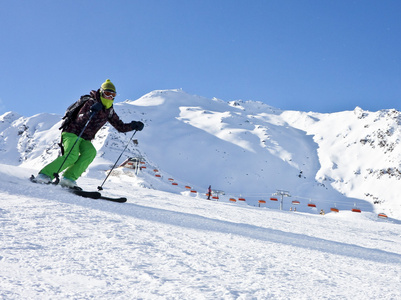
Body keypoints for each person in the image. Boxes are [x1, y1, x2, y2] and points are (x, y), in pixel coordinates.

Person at [35, 79, 144, 188]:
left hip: (85, 138)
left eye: (113, 95)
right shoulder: (91, 102)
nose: (110, 97)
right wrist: (91, 111)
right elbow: (80, 118)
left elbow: (120, 126)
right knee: (71, 156)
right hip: (72, 132)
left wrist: (133, 126)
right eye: (107, 93)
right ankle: (45, 175)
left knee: (90, 152)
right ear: (101, 92)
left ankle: (69, 178)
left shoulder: (109, 110)